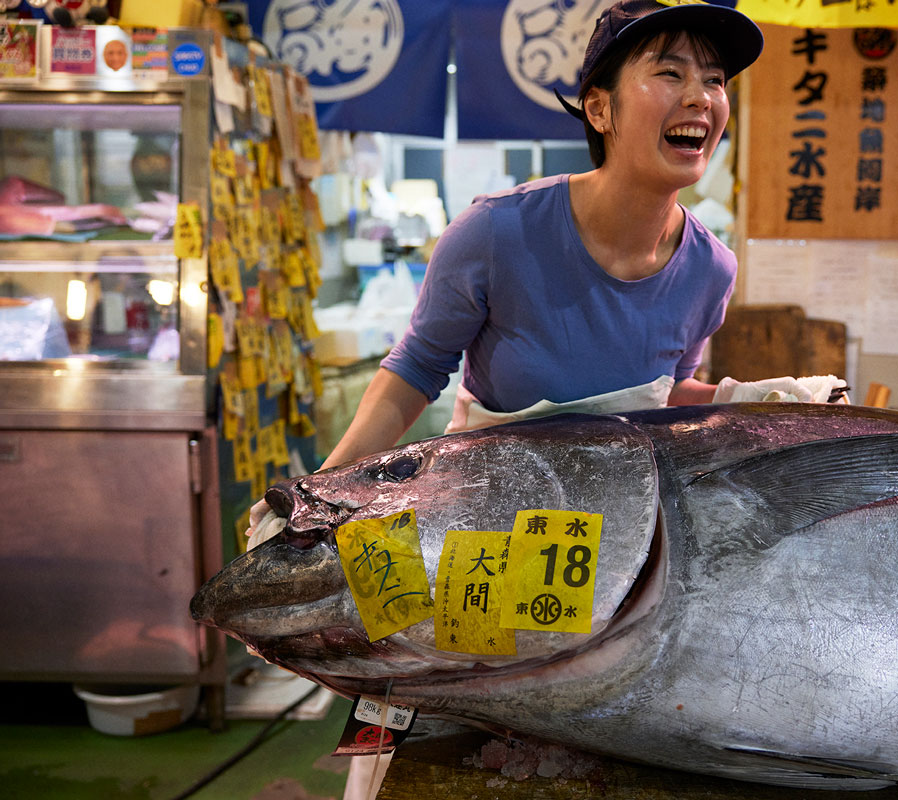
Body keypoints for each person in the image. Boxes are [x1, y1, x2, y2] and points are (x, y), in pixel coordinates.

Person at [250, 4, 839, 795]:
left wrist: (754, 399)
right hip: (483, 544)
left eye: (715, 79)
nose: (701, 96)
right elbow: (415, 370)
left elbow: (662, 396)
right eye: (669, 72)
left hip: (616, 556)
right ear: (600, 107)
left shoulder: (711, 270)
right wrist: (319, 495)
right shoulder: (496, 234)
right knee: (450, 737)